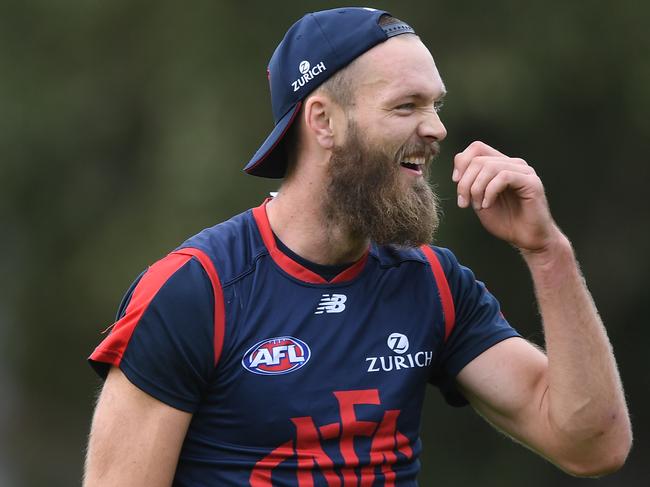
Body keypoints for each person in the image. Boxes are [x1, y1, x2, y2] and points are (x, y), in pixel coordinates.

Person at [83, 7, 631, 486]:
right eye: (406, 106)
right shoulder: (195, 292)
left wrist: (547, 252)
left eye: (435, 105)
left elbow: (592, 445)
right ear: (324, 121)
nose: (437, 128)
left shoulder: (432, 284)